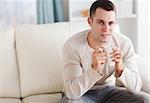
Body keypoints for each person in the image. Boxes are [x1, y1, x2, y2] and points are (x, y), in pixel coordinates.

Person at [61, 0, 149, 103]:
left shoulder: (124, 43)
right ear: (90, 22)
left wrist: (121, 69)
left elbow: (136, 87)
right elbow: (72, 93)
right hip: (83, 94)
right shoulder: (72, 46)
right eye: (100, 22)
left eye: (111, 23)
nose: (106, 29)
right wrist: (94, 70)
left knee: (145, 100)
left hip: (110, 91)